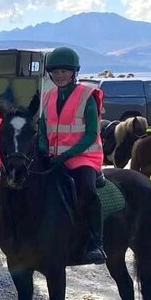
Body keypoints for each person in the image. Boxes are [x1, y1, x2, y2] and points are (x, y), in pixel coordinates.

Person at [38, 47, 107, 265]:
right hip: (53, 155)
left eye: (64, 71)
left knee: (86, 190)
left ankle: (96, 242)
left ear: (74, 72)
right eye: (56, 72)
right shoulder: (48, 95)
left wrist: (67, 154)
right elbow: (42, 127)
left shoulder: (87, 95)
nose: (60, 76)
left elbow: (90, 134)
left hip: (83, 156)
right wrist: (42, 146)